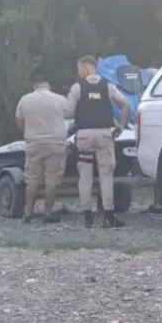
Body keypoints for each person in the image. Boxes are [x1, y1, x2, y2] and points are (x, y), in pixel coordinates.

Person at [64, 55, 130, 228]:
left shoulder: (77, 88)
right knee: (106, 174)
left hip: (84, 135)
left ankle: (87, 216)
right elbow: (125, 104)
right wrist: (121, 126)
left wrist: (82, 109)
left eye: (79, 68)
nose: (78, 72)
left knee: (85, 175)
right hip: (104, 134)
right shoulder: (108, 87)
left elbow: (68, 112)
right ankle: (109, 215)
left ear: (86, 68)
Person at [15, 70, 68, 224]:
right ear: (48, 85)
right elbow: (69, 116)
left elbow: (19, 121)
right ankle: (48, 213)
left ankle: (28, 213)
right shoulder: (60, 99)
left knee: (32, 179)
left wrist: (28, 131)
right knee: (52, 179)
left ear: (34, 86)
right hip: (56, 143)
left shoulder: (24, 100)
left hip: (34, 142)